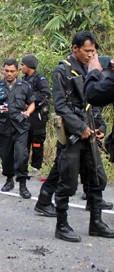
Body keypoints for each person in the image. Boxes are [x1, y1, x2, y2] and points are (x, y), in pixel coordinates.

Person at [51, 31, 113, 242]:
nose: (91, 55)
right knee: (67, 180)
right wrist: (79, 127)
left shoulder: (92, 69)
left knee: (96, 179)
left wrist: (99, 125)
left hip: (90, 133)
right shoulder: (62, 71)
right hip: (72, 136)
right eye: (87, 51)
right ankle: (62, 225)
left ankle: (96, 223)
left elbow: (95, 99)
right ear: (75, 48)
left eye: (93, 51)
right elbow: (60, 106)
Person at [0, 59, 35, 199]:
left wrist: (28, 112)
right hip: (4, 126)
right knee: (6, 156)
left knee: (21, 156)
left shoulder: (24, 86)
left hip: (20, 127)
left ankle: (23, 185)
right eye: (6, 71)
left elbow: (32, 103)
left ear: (17, 71)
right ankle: (9, 180)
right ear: (4, 70)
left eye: (12, 71)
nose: (9, 74)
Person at [21, 55, 51, 174]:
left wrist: (32, 104)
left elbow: (46, 94)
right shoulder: (24, 79)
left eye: (22, 65)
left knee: (37, 140)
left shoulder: (40, 78)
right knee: (25, 140)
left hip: (37, 115)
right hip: (26, 115)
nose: (21, 67)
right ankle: (23, 165)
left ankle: (36, 166)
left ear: (28, 65)